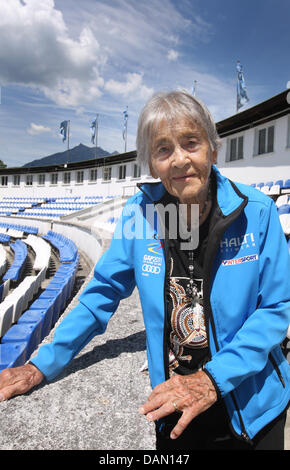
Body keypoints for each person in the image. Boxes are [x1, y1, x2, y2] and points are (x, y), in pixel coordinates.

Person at [0, 90, 289, 450]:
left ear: (213, 150)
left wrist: (211, 381)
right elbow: (100, 295)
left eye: (191, 143)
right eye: (163, 149)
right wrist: (39, 365)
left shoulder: (257, 211)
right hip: (171, 405)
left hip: (253, 406)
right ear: (152, 164)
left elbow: (276, 308)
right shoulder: (139, 215)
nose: (180, 159)